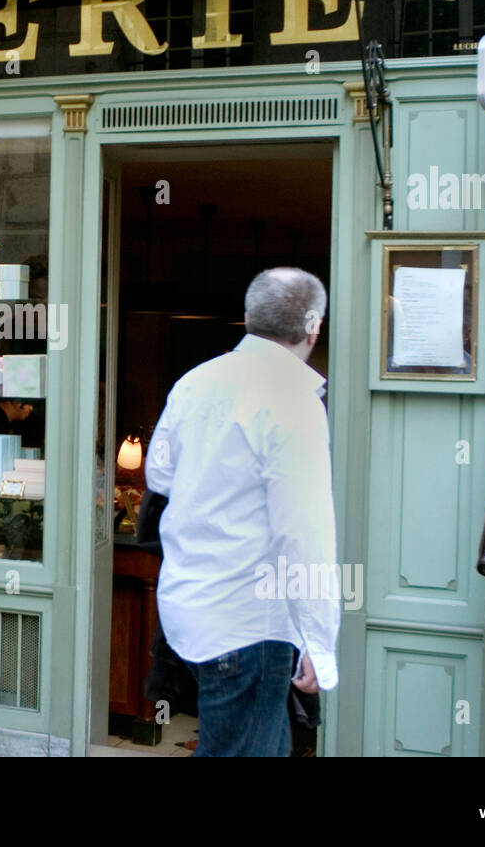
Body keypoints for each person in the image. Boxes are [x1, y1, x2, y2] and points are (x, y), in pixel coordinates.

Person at [145, 267, 339, 757]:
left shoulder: (195, 382)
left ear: (249, 317)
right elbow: (304, 532)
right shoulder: (294, 400)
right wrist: (319, 639)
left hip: (190, 609)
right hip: (249, 622)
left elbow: (159, 478)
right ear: (315, 327)